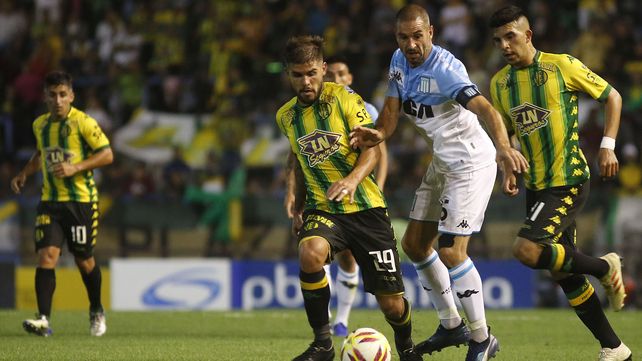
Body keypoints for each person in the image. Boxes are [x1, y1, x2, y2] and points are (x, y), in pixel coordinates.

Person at [350, 4, 528, 361]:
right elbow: (390, 110)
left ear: (430, 32)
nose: (411, 44)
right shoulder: (399, 61)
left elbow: (486, 110)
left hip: (471, 163)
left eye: (418, 36)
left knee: (450, 251)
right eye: (404, 37)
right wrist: (378, 133)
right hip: (442, 164)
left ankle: (482, 338)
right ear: (396, 37)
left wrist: (504, 148)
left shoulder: (446, 70)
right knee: (415, 245)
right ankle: (451, 325)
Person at [488, 6, 631, 361]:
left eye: (511, 36)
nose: (505, 45)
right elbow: (509, 134)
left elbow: (612, 96)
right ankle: (616, 348)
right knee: (563, 272)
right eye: (498, 40)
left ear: (528, 35)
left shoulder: (561, 65)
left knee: (526, 250)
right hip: (536, 187)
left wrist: (607, 147)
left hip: (568, 180)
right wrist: (508, 167)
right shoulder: (499, 84)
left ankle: (604, 267)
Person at [277, 35, 422, 361]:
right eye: (298, 75)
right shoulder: (286, 116)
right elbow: (301, 162)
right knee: (310, 254)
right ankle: (323, 344)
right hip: (323, 207)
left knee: (392, 305)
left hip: (366, 209)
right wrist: (298, 204)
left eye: (312, 72)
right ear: (288, 75)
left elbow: (372, 150)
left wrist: (352, 179)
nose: (306, 81)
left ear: (323, 69)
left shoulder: (345, 99)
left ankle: (408, 348)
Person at [282, 54, 389, 337]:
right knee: (318, 251)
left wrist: (376, 186)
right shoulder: (293, 115)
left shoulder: (360, 106)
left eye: (343, 74)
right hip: (323, 199)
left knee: (350, 260)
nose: (337, 79)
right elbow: (297, 157)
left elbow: (379, 151)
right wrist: (294, 196)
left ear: (350, 78)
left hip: (361, 198)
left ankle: (342, 318)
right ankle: (328, 323)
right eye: (334, 74)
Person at [11, 71, 113, 337]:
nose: (58, 100)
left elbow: (107, 154)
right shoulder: (40, 125)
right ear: (45, 96)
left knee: (84, 260)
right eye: (53, 95)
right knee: (47, 256)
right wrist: (24, 172)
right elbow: (41, 154)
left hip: (80, 202)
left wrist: (76, 167)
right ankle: (43, 319)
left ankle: (96, 309)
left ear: (71, 96)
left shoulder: (84, 123)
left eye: (62, 95)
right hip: (50, 202)